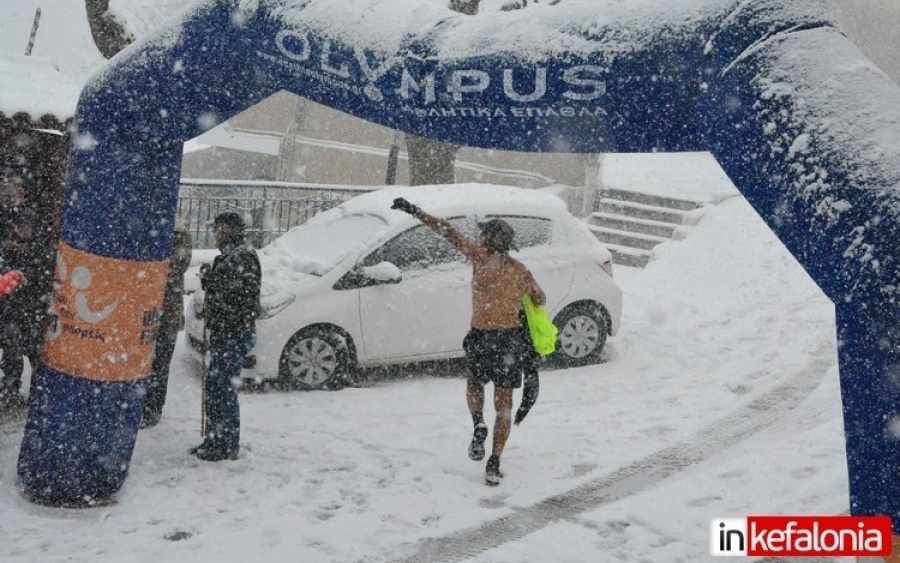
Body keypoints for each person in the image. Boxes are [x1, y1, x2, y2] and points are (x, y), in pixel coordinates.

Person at [391, 197, 545, 486]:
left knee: (474, 383)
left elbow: (447, 231)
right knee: (504, 405)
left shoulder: (478, 258)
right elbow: (540, 298)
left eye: (485, 234)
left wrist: (415, 211)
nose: (480, 237)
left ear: (492, 240)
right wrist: (519, 296)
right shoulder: (521, 271)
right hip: (509, 342)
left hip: (480, 337)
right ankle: (494, 462)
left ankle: (478, 424)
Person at [192, 212, 260, 461]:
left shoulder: (243, 257)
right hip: (224, 331)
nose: (215, 234)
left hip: (233, 332)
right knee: (216, 387)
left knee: (223, 389)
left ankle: (225, 444)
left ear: (230, 230)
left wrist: (216, 290)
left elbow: (243, 297)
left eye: (219, 229)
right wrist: (209, 282)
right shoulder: (227, 257)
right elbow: (224, 289)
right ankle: (214, 440)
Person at [140, 218, 193, 428]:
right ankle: (143, 405)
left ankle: (152, 409)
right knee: (146, 364)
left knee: (159, 365)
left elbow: (178, 264)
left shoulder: (179, 234)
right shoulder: (156, 229)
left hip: (166, 314)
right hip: (147, 314)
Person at [0, 207, 42, 406]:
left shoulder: (37, 251)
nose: (17, 242)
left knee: (35, 352)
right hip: (9, 313)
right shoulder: (6, 250)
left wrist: (19, 276)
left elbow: (33, 275)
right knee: (12, 343)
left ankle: (35, 395)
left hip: (30, 313)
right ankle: (10, 388)